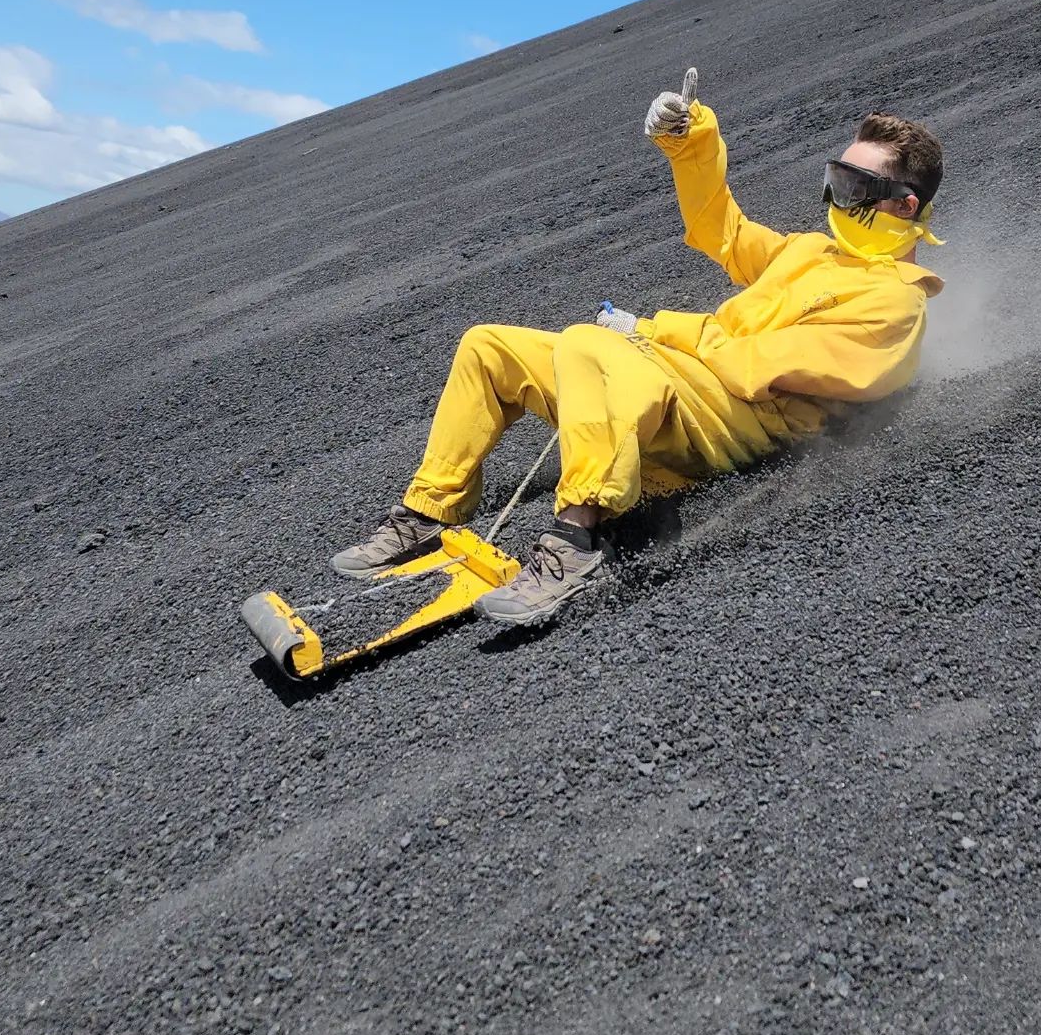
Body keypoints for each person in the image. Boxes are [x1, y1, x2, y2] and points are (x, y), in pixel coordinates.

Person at [331, 70, 945, 626]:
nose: (832, 197)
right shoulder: (814, 254)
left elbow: (752, 367)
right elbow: (721, 230)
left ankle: (575, 541)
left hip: (743, 422)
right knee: (489, 347)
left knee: (590, 347)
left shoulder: (895, 304)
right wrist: (693, 141)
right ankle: (432, 508)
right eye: (833, 178)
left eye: (851, 184)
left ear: (902, 204)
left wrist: (650, 331)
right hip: (685, 383)